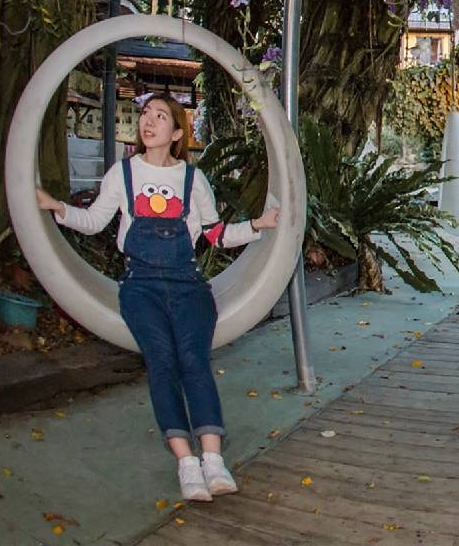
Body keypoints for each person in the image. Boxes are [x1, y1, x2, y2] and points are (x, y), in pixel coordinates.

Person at [36, 93, 280, 503]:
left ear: (178, 132)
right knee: (162, 362)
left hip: (188, 284)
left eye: (160, 115)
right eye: (145, 114)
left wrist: (258, 224)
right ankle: (186, 463)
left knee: (194, 359)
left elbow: (215, 235)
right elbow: (95, 222)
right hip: (141, 285)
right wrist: (56, 207)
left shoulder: (192, 179)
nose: (148, 121)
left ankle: (213, 461)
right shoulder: (122, 174)